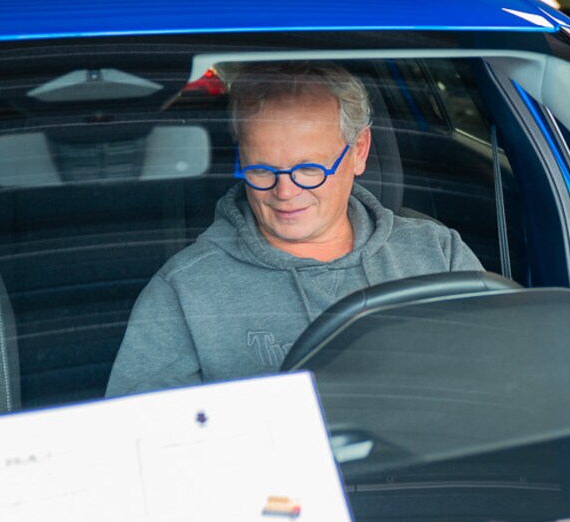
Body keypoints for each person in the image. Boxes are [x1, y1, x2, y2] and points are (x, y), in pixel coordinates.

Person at [107, 61, 482, 396]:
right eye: (261, 169)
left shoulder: (438, 254)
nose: (284, 192)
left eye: (309, 169)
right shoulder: (184, 290)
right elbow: (144, 439)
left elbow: (498, 386)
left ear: (359, 151)